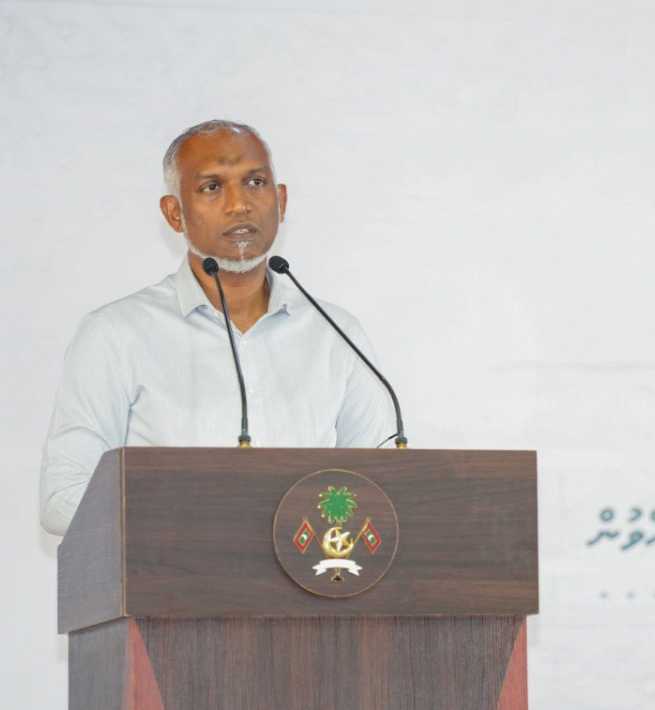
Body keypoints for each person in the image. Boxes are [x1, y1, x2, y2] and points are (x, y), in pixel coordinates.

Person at [39, 120, 395, 537]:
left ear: (280, 201)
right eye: (211, 187)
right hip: (172, 586)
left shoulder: (335, 332)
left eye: (255, 182)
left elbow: (386, 488)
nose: (238, 204)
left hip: (310, 590)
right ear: (174, 213)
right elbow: (62, 497)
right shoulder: (116, 333)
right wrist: (188, 528)